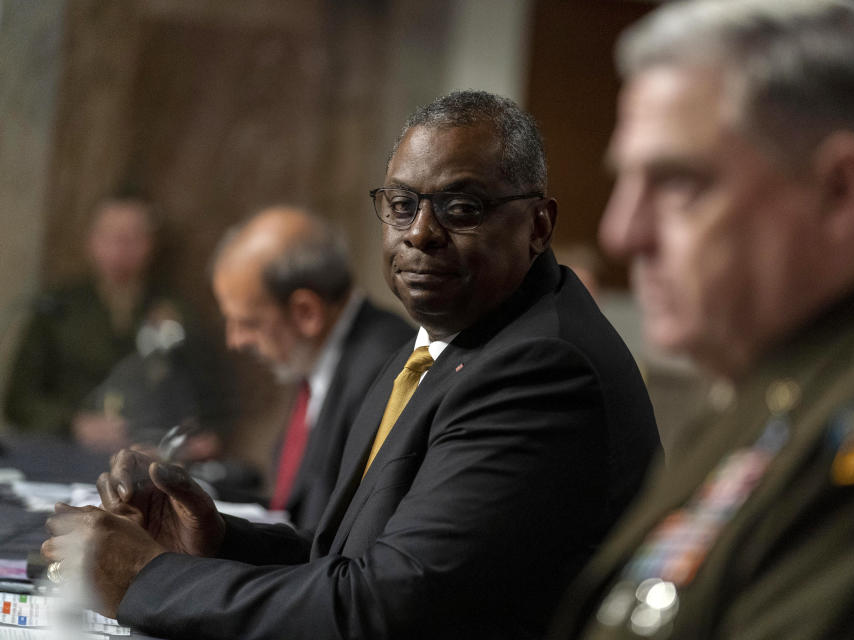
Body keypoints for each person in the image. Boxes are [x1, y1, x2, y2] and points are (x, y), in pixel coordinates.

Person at [43, 90, 661, 640]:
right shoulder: (445, 340)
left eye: (462, 207)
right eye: (402, 205)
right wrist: (215, 542)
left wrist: (146, 580)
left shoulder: (540, 368)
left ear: (539, 225)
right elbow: (350, 557)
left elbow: (384, 605)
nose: (420, 233)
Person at [549, 1, 854, 639]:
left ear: (840, 192)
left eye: (678, 182)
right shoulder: (774, 393)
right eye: (627, 181)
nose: (622, 231)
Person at [209, 205, 414, 529]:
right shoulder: (319, 359)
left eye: (247, 323)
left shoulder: (386, 372)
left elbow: (334, 540)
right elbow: (292, 508)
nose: (235, 341)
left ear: (307, 313)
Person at [4, 197, 190, 452]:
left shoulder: (172, 310)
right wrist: (74, 423)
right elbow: (19, 399)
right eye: (110, 236)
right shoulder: (58, 307)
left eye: (132, 238)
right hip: (61, 449)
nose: (120, 248)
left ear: (151, 244)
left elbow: (192, 397)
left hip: (142, 453)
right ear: (91, 241)